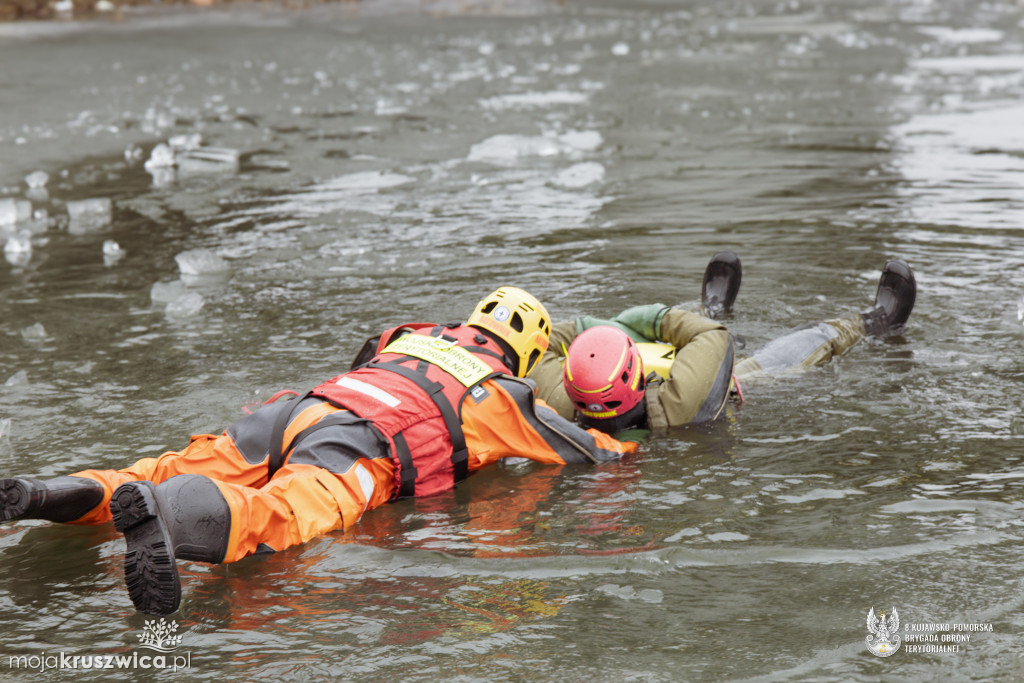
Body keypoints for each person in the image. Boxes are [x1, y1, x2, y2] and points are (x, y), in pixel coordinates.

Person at [0, 286, 635, 616]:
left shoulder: (407, 333)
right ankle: (170, 517)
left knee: (161, 468)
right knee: (287, 510)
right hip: (360, 443)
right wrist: (633, 444)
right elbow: (593, 453)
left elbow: (366, 356)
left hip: (292, 409)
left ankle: (53, 492)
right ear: (523, 356)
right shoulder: (502, 394)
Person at [533, 254, 916, 433]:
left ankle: (712, 306)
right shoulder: (680, 402)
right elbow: (712, 339)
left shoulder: (561, 403)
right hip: (727, 389)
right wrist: (625, 326)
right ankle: (874, 322)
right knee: (802, 345)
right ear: (637, 376)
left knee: (686, 335)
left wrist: (597, 341)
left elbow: (538, 342)